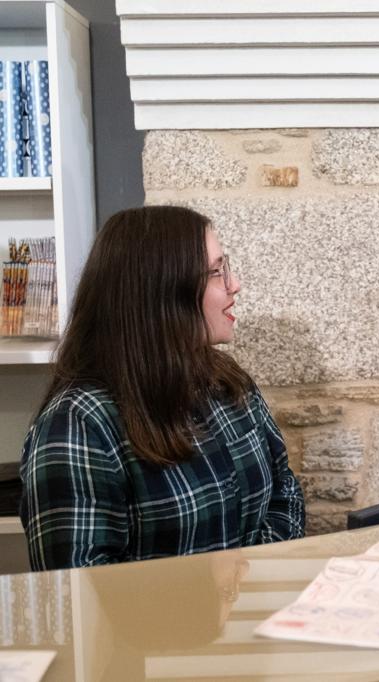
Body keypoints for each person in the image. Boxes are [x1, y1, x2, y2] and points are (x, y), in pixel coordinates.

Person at [20, 206, 305, 570]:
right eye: (217, 272)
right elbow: (80, 594)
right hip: (163, 629)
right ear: (164, 290)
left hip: (251, 619)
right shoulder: (78, 426)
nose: (235, 285)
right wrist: (209, 595)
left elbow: (286, 496)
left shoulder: (227, 383)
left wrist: (244, 584)